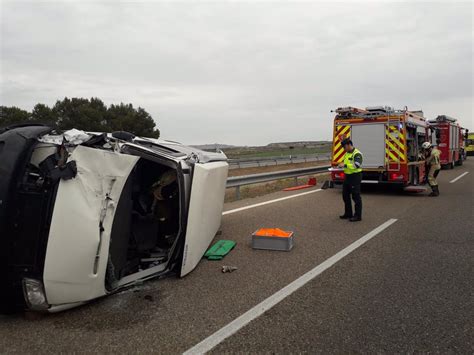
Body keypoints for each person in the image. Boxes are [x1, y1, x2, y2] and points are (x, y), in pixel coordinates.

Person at [338, 138, 363, 222]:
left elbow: (357, 165)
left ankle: (357, 216)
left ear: (349, 145)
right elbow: (345, 164)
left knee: (356, 197)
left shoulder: (357, 154)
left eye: (344, 147)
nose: (343, 149)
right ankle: (348, 213)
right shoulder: (346, 154)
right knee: (345, 196)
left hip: (355, 177)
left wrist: (344, 165)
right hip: (347, 177)